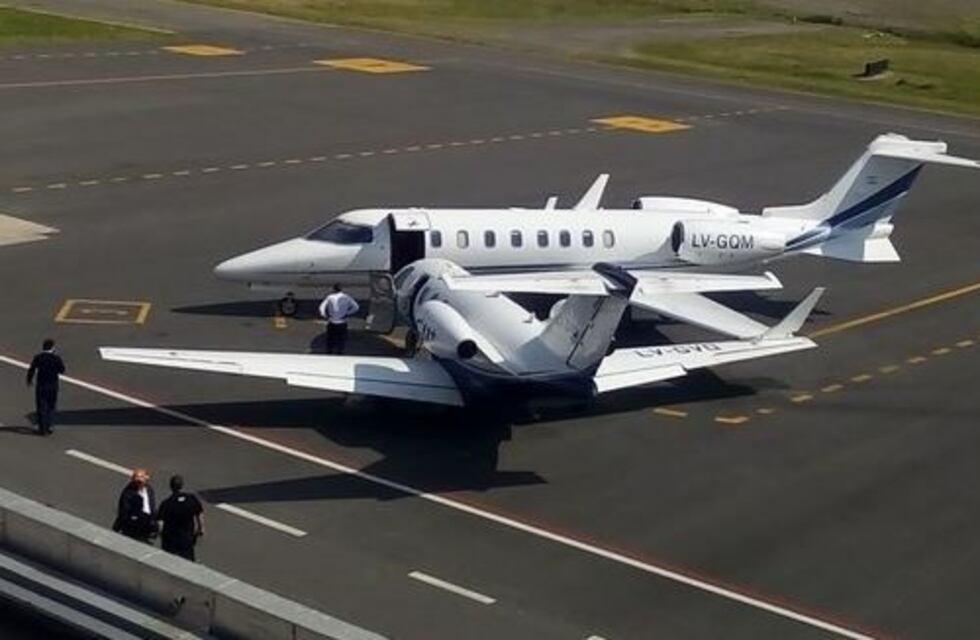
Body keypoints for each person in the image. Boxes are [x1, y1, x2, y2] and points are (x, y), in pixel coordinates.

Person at [156, 475, 204, 561]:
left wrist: (160, 535)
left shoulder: (166, 504)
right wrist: (201, 529)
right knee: (188, 561)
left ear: (171, 487)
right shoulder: (191, 499)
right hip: (187, 539)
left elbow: (160, 524)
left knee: (170, 562)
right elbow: (199, 514)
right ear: (182, 485)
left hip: (171, 541)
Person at [26, 338, 65, 435]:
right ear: (52, 347)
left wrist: (29, 380)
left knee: (41, 406)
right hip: (53, 385)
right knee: (51, 406)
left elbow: (32, 369)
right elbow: (62, 370)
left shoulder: (38, 357)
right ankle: (50, 425)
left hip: (41, 385)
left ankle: (42, 428)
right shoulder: (56, 358)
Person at [112, 469, 157, 542]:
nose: (140, 484)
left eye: (141, 481)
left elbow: (152, 506)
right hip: (134, 527)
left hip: (147, 525)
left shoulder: (149, 489)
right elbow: (124, 512)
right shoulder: (128, 493)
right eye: (138, 481)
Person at [318, 283, 359, 354]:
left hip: (332, 321)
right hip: (342, 322)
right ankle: (340, 353)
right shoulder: (346, 297)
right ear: (341, 289)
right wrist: (348, 313)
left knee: (330, 339)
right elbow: (356, 307)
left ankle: (329, 352)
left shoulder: (330, 297)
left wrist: (324, 315)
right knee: (341, 340)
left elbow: (321, 307)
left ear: (333, 289)